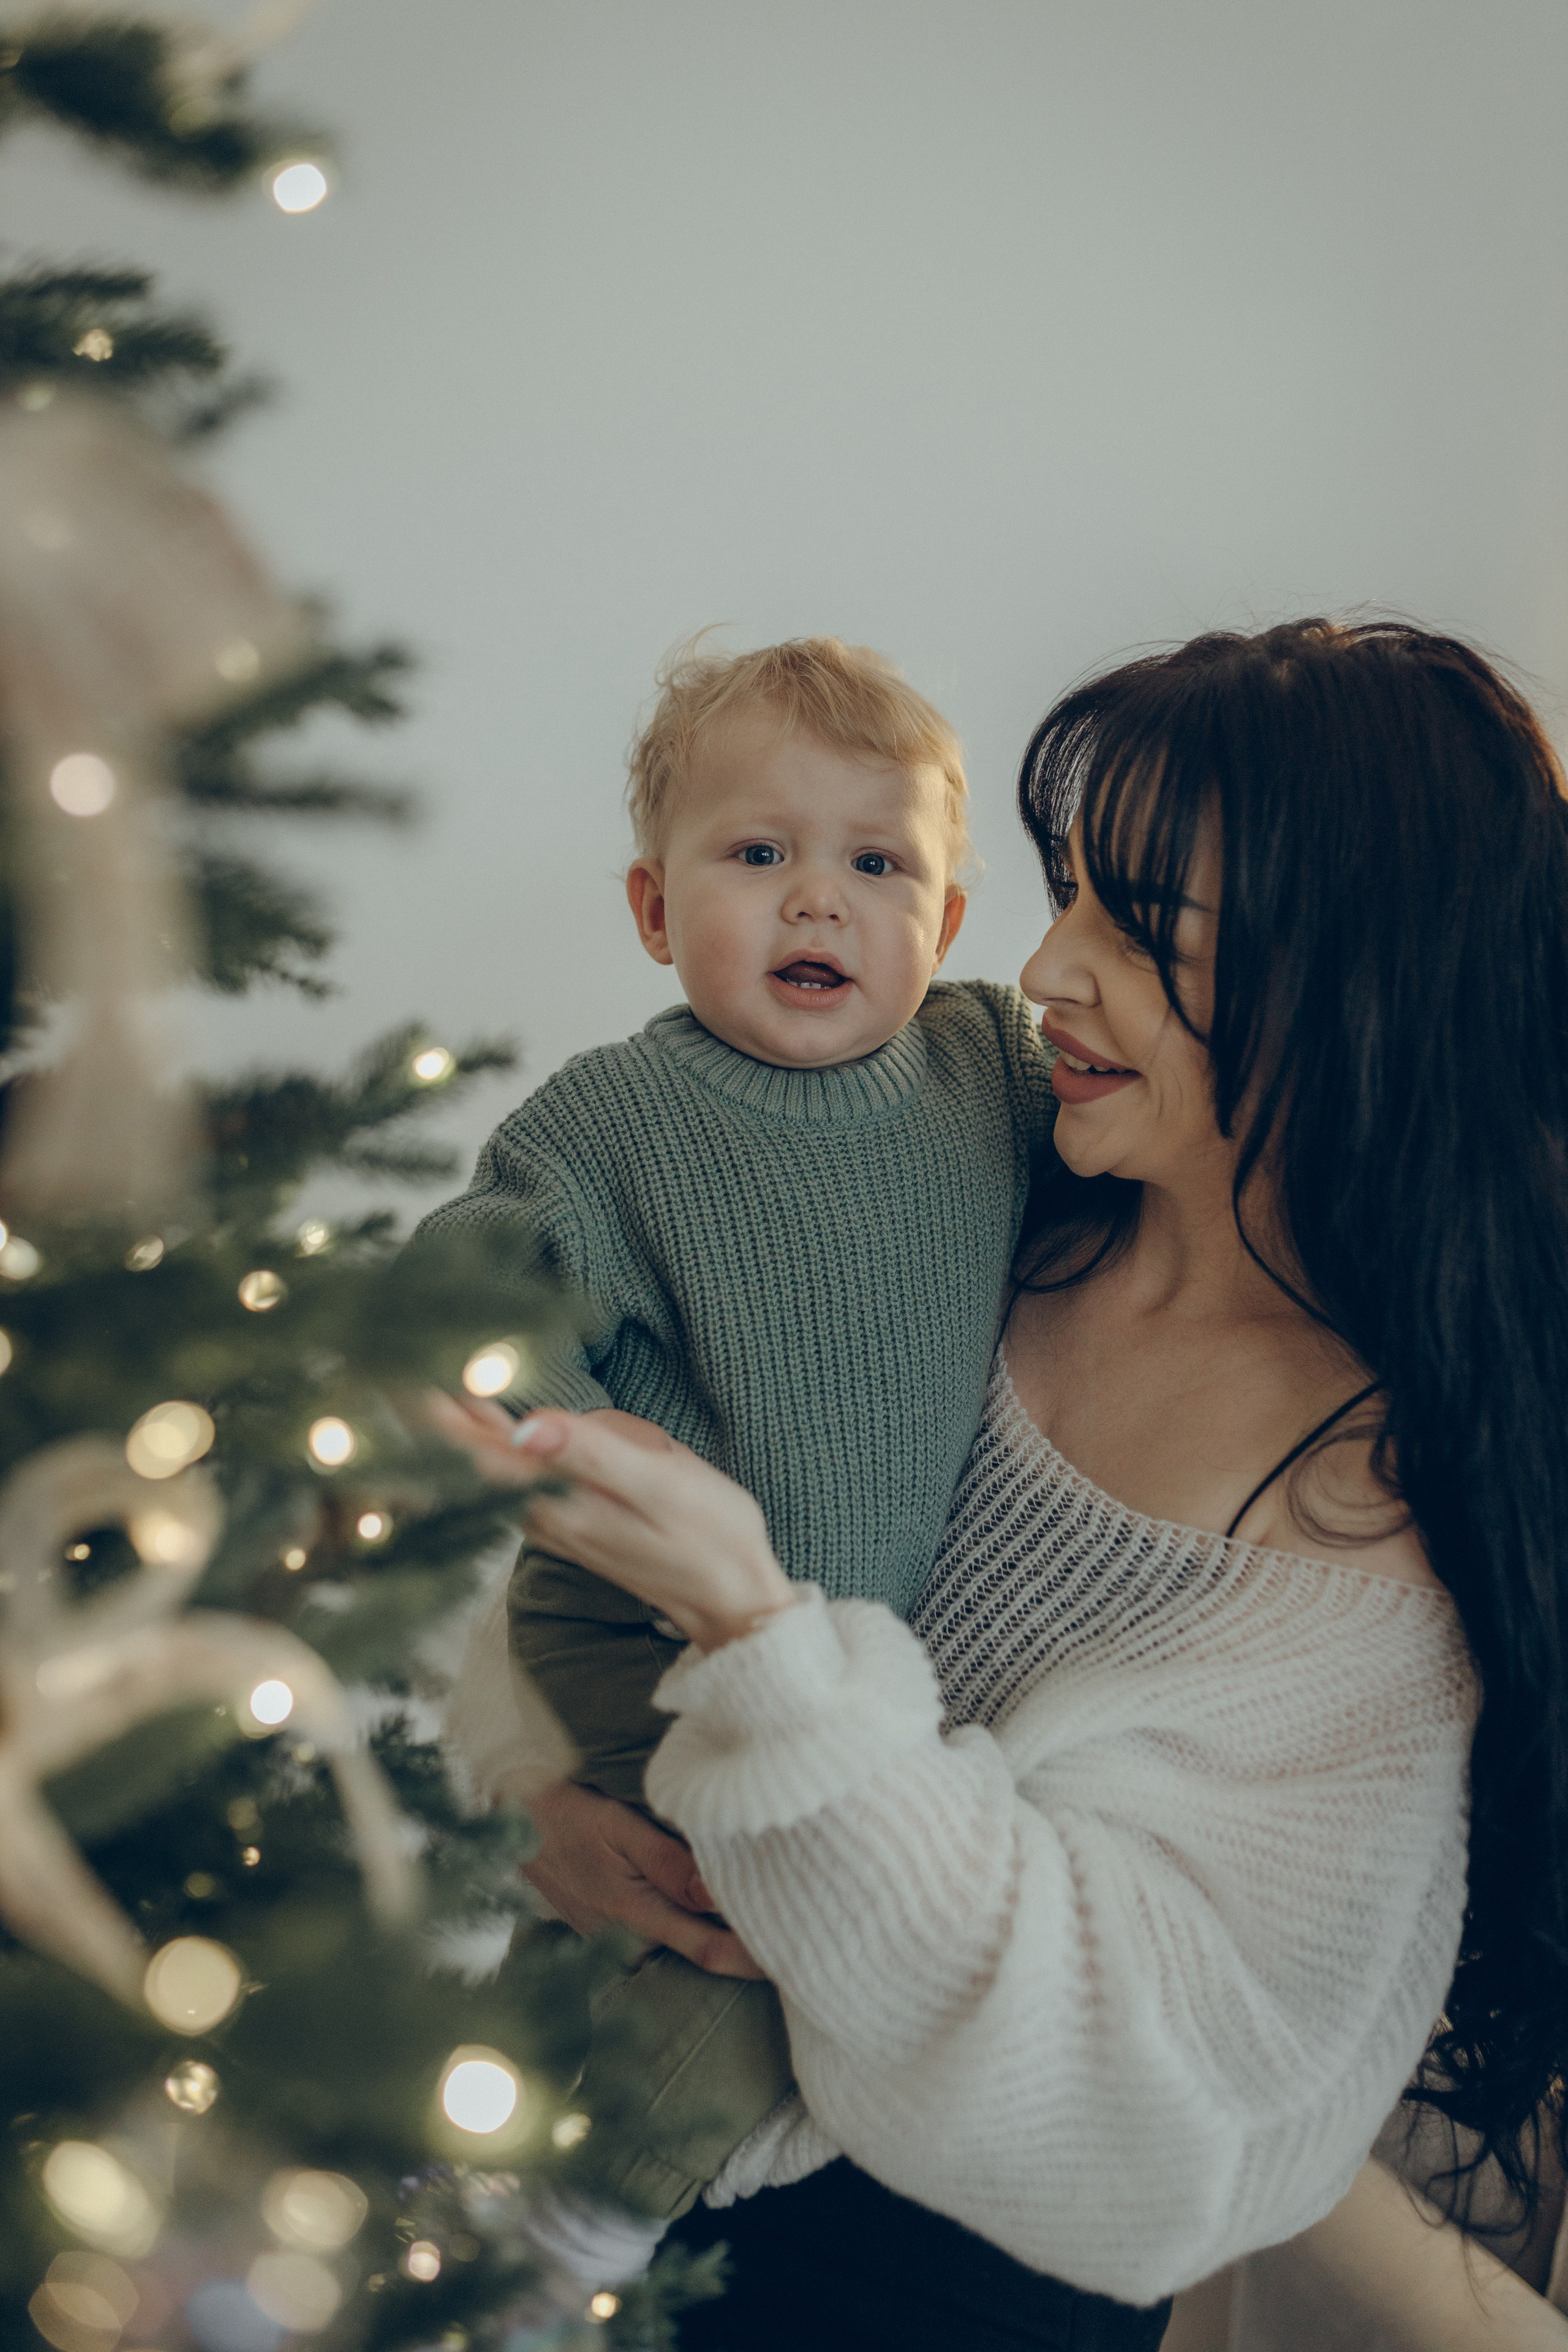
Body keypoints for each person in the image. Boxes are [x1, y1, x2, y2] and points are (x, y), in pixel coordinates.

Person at [435, 617, 1568, 2351]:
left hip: (897, 2293)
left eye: (1139, 928)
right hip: (582, 2145)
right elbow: (538, 1551)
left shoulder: (1380, 1535)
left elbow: (1145, 2139)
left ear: (1353, 983)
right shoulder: (985, 1195)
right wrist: (535, 1811)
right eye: (1067, 898)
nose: (1044, 973)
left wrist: (754, 1629)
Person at [415, 634, 1052, 2248]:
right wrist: (499, 1420)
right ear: (651, 910)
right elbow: (459, 1306)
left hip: (811, 1653)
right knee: (738, 1951)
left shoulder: (991, 1072)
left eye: (875, 861)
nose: (816, 899)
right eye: (757, 853)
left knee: (645, 1946)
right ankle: (565, 2236)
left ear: (950, 921)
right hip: (636, 1621)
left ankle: (469, 2171)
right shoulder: (612, 1124)